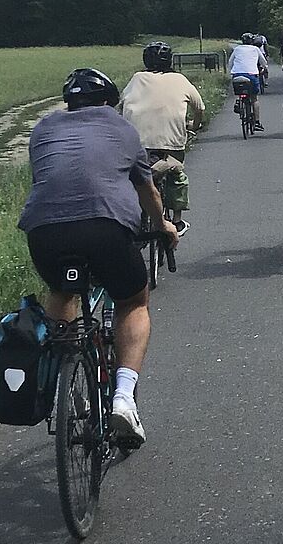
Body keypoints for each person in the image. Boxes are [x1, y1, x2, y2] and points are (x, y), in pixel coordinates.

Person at [17, 67, 178, 447]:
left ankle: (66, 376)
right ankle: (123, 397)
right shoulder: (122, 129)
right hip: (105, 228)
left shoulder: (43, 129)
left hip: (44, 231)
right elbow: (148, 191)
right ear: (110, 102)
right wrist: (164, 226)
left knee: (63, 290)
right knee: (133, 301)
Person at [118, 41, 206, 235]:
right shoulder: (180, 79)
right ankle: (177, 220)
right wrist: (195, 125)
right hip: (171, 143)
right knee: (176, 174)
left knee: (132, 177)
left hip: (136, 144)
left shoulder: (136, 78)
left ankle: (134, 216)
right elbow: (199, 108)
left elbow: (121, 104)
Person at [229, 33, 268, 131]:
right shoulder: (255, 49)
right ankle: (257, 122)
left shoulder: (237, 49)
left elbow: (230, 62)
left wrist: (231, 72)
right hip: (251, 75)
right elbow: (263, 62)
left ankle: (239, 101)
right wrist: (264, 68)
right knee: (254, 98)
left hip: (237, 75)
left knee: (240, 91)